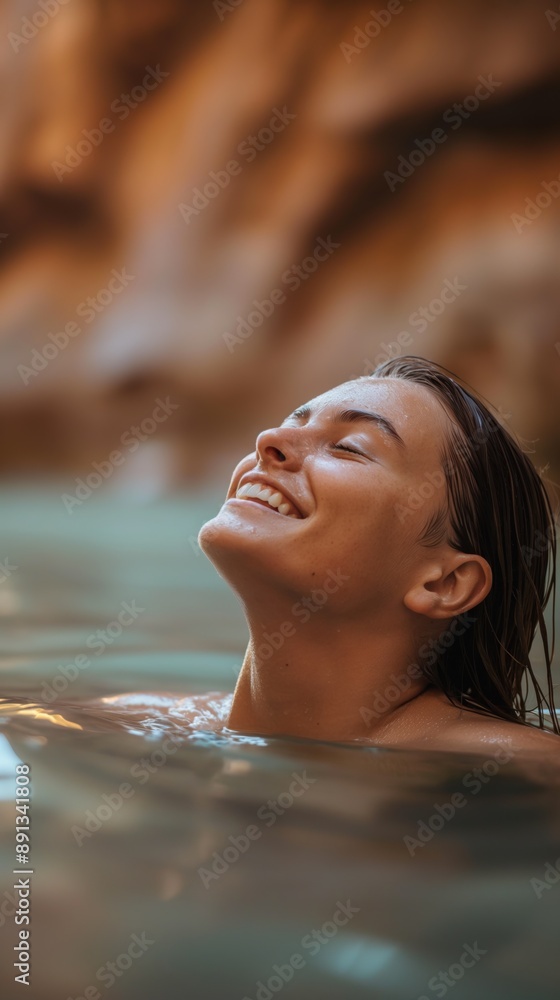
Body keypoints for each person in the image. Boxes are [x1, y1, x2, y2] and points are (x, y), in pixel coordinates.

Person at [100, 356, 560, 754]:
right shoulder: (138, 722)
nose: (268, 439)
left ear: (444, 583)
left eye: (347, 448)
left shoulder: (516, 767)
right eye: (293, 422)